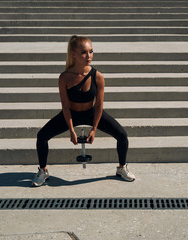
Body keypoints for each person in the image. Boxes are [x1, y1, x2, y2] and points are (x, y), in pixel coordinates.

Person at [32, 35, 136, 187]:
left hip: (91, 113)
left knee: (122, 135)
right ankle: (43, 170)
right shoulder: (64, 78)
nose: (89, 56)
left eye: (91, 52)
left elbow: (99, 106)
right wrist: (71, 130)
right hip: (71, 113)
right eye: (84, 52)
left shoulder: (98, 76)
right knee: (42, 136)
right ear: (73, 54)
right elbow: (66, 107)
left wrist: (94, 129)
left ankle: (121, 168)